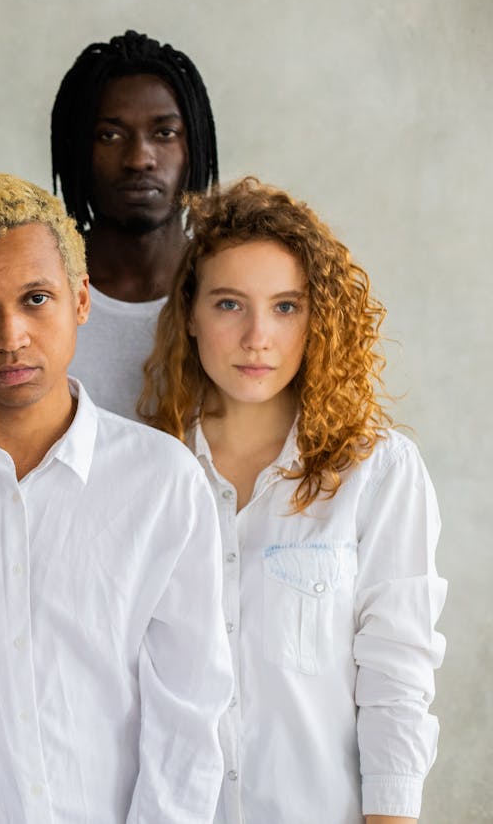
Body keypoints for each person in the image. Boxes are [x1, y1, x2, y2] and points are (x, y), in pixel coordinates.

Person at [0, 173, 233, 823]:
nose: (11, 335)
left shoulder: (163, 482)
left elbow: (189, 710)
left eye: (36, 298)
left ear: (81, 300)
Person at [139, 178, 446, 824]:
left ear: (318, 318)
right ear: (190, 313)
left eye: (285, 306)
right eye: (229, 304)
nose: (258, 336)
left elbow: (398, 675)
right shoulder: (140, 472)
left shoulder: (377, 471)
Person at [0, 30, 217, 419]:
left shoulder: (233, 291)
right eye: (110, 135)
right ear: (76, 149)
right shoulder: (14, 284)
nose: (139, 158)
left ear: (195, 145)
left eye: (164, 133)